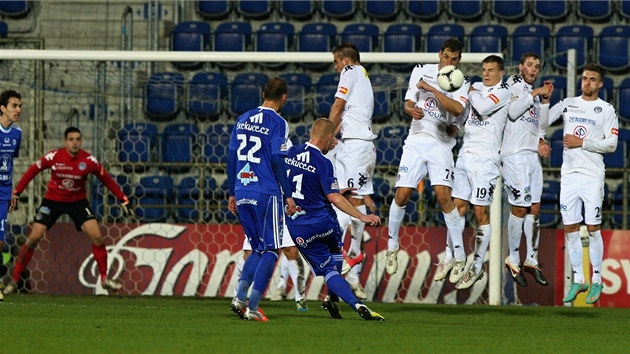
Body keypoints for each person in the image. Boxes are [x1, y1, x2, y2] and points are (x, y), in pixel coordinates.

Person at [3, 126, 132, 295]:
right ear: (65, 142)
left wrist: (123, 199)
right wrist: (17, 192)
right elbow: (33, 171)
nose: (75, 142)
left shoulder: (89, 161)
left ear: (81, 141)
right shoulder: (54, 156)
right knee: (33, 238)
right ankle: (14, 281)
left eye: (78, 139)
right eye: (71, 139)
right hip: (52, 201)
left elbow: (106, 179)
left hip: (77, 202)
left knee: (97, 236)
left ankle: (104, 279)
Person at [387, 37, 470, 282]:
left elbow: (456, 110)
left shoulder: (462, 81)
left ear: (460, 60)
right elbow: (408, 102)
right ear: (439, 54)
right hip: (415, 140)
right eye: (446, 56)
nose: (449, 62)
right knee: (401, 194)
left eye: (454, 59)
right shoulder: (421, 70)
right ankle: (392, 247)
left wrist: (432, 89)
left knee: (444, 196)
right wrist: (410, 109)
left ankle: (459, 256)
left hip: (441, 143)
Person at [284, 117, 384, 321]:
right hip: (323, 223)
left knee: (329, 268)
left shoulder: (289, 153)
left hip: (297, 227)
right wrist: (361, 215)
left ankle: (334, 298)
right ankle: (351, 303)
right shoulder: (323, 162)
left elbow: (304, 185)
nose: (336, 142)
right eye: (334, 139)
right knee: (335, 253)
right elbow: (333, 198)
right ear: (328, 137)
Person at [544, 63, 618, 304]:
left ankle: (597, 280)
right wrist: (545, 101)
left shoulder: (606, 110)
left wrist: (582, 142)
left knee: (593, 228)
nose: (587, 82)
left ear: (600, 84)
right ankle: (579, 279)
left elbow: (611, 145)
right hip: (569, 176)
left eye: (592, 79)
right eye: (584, 78)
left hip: (592, 176)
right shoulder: (568, 103)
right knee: (571, 229)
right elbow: (543, 122)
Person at [228, 77, 296, 322]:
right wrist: (288, 194)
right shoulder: (279, 122)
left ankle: (239, 297)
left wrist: (231, 192)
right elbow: (278, 159)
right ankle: (253, 307)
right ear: (284, 97)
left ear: (263, 93)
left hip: (242, 189)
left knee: (256, 247)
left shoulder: (242, 118)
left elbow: (231, 156)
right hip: (266, 191)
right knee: (271, 250)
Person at [450, 55, 511, 290]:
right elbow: (465, 114)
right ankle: (454, 257)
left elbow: (483, 106)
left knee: (480, 212)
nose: (486, 73)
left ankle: (476, 266)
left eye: (491, 70)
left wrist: (470, 90)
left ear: (500, 73)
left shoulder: (503, 91)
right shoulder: (476, 90)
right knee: (457, 207)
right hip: (465, 155)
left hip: (486, 161)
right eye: (484, 69)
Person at [327, 43, 377, 298]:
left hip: (356, 147)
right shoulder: (363, 75)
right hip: (358, 145)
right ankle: (354, 256)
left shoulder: (350, 71)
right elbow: (347, 114)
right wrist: (333, 135)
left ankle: (340, 258)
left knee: (344, 200)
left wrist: (323, 133)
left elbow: (338, 105)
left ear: (345, 60)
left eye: (336, 61)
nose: (335, 67)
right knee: (354, 200)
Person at [502, 53, 554, 287]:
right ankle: (513, 259)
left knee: (534, 207)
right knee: (520, 207)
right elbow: (513, 112)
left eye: (537, 66)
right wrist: (535, 93)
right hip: (514, 155)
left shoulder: (534, 96)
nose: (533, 69)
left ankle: (531, 259)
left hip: (531, 156)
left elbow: (537, 125)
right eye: (530, 65)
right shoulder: (513, 83)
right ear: (521, 66)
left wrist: (545, 103)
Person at [0, 90, 23, 300]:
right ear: (2, 108)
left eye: (20, 106)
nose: (18, 110)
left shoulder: (17, 134)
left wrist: (13, 191)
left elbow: (9, 164)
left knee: (0, 241)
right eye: (14, 105)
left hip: (3, 193)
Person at [269, 224, 308, 311]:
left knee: (291, 250)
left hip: (293, 215)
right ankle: (240, 295)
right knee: (252, 251)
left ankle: (300, 298)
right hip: (271, 215)